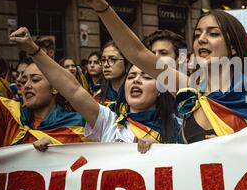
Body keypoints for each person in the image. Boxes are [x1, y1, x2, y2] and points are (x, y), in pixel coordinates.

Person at [75, 0, 247, 144]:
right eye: (197, 35)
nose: (202, 39)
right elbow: (137, 53)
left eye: (213, 34)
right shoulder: (189, 91)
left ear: (233, 46)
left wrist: (232, 148)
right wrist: (102, 8)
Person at [9, 28, 180, 153]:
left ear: (160, 89)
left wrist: (160, 152)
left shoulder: (179, 126)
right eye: (131, 76)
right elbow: (73, 90)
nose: (136, 80)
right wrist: (34, 50)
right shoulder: (109, 121)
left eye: (146, 77)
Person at [0, 59, 89, 148]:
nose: (27, 85)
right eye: (24, 81)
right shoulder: (10, 117)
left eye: (35, 80)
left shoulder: (78, 124)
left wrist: (58, 150)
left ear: (54, 88)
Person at [95, 41, 130, 107]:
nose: (105, 65)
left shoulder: (134, 93)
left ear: (126, 62)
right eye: (103, 60)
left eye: (112, 60)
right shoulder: (98, 95)